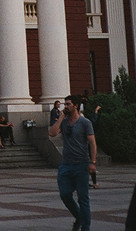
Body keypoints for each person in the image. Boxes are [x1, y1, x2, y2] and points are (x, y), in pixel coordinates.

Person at [48, 95, 97, 231]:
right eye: (65, 104)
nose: (65, 106)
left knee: (83, 198)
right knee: (64, 194)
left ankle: (85, 227)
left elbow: (92, 143)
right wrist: (61, 117)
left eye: (68, 104)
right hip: (65, 164)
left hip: (81, 164)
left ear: (75, 105)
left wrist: (93, 162)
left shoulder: (85, 122)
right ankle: (79, 217)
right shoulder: (63, 122)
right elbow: (52, 133)